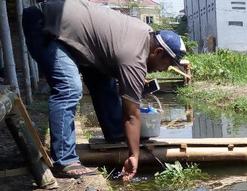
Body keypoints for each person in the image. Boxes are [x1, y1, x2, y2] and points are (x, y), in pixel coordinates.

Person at [22, 0, 186, 180]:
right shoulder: (134, 55)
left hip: (68, 31)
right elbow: (131, 115)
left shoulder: (144, 36)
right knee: (69, 87)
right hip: (45, 24)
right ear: (158, 51)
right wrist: (134, 155)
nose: (165, 69)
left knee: (104, 82)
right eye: (168, 63)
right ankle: (64, 160)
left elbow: (117, 56)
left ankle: (116, 135)